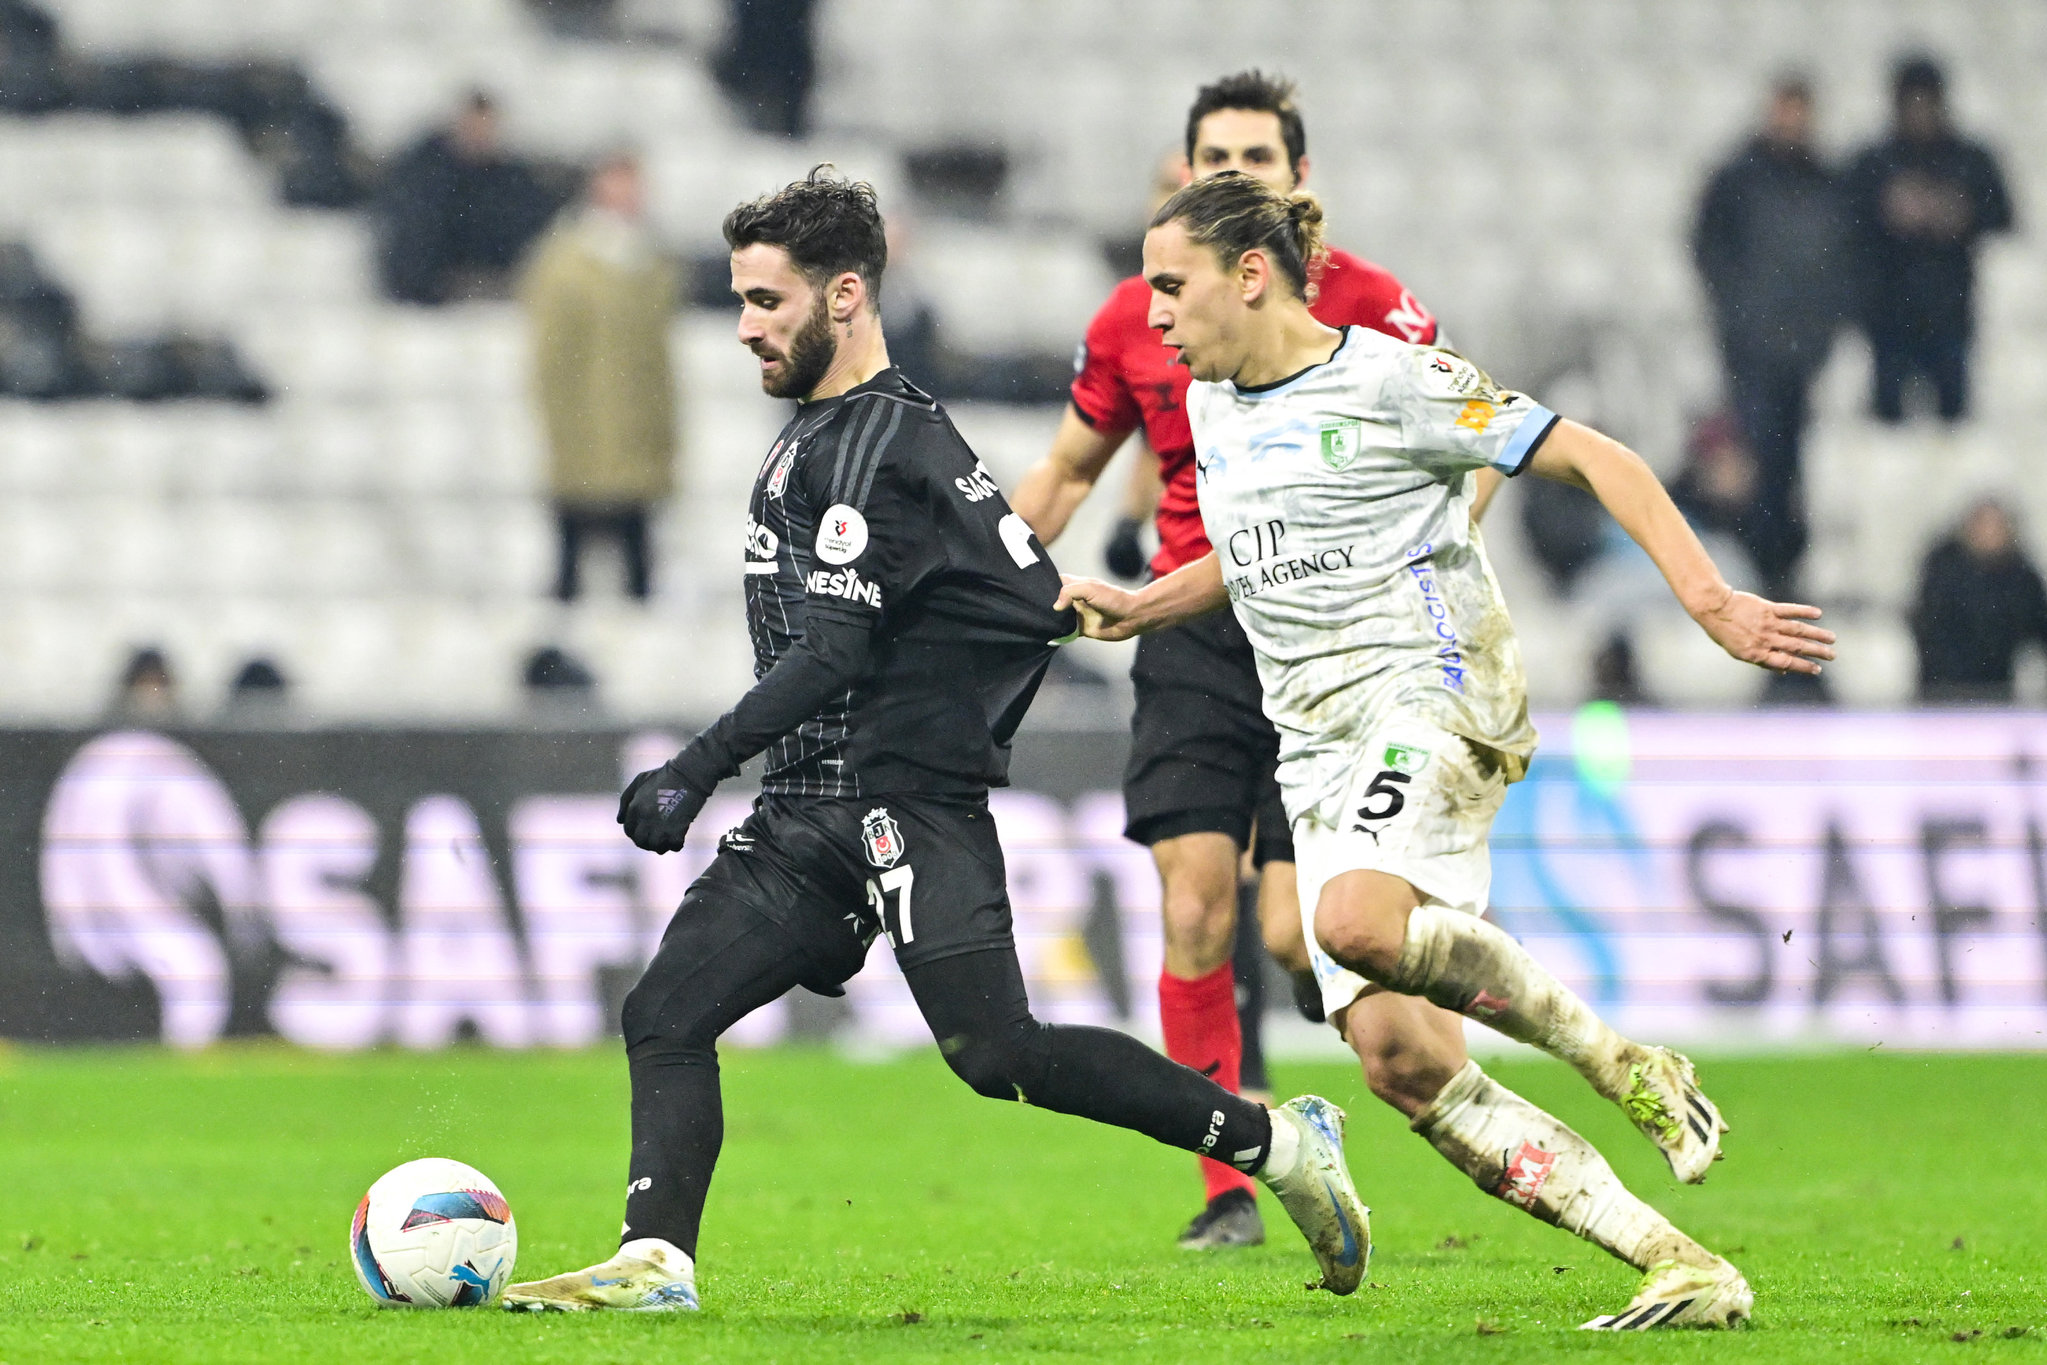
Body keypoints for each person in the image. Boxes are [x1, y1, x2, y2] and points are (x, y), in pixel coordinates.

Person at [501, 169, 1372, 1314]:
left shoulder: (872, 447)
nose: (747, 328)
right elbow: (1012, 597)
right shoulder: (841, 433)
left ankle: (1273, 1140)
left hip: (899, 803)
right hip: (812, 808)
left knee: (996, 1054)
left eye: (768, 302)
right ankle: (655, 1261)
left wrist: (693, 766)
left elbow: (833, 654)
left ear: (845, 295)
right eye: (739, 303)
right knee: (664, 1014)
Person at [1059, 172, 1838, 1329]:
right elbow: (1261, 552)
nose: (1154, 311)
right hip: (1315, 747)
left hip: (1428, 693)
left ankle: (1622, 1062)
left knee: (1350, 924)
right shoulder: (1214, 407)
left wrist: (1710, 600)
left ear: (1251, 275)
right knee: (1399, 1062)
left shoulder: (1391, 380)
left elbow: (1595, 456)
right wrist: (1144, 604)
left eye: (1171, 285)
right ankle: (1683, 1265)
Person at [1011, 69, 1455, 1251]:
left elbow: (1475, 445)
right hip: (1192, 625)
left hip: (1321, 629)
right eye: (1215, 156)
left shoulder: (1369, 304)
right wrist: (985, 576)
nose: (1234, 176)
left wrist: (1422, 573)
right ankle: (1228, 1191)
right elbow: (1064, 471)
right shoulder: (1137, 316)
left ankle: (1333, 990)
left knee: (1285, 934)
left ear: (1297, 178)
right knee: (1193, 908)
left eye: (1257, 158)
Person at [1692, 74, 1849, 597]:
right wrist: (1739, 317)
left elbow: (1843, 264)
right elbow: (1708, 249)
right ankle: (1752, 568)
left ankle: (1785, 569)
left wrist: (1822, 331)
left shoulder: (1825, 182)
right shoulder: (1738, 178)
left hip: (1803, 355)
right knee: (1751, 463)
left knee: (1793, 469)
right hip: (1750, 353)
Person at [520, 152, 680, 603]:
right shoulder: (566, 264)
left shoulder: (651, 263)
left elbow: (659, 361)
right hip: (585, 432)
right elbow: (550, 361)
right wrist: (564, 429)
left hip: (639, 433)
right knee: (571, 562)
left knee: (639, 567)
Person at [1844, 55, 2014, 424]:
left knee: (1955, 426)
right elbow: (1842, 219)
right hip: (1889, 314)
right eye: (1912, 101)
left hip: (1950, 312)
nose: (1920, 112)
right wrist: (1887, 210)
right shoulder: (1874, 161)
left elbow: (2003, 214)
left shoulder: (1969, 158)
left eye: (1927, 101)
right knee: (1886, 429)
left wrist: (1961, 213)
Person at [375, 91, 558, 306]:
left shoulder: (513, 180)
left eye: (486, 126)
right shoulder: (423, 174)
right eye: (473, 125)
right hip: (428, 299)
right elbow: (411, 237)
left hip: (493, 297)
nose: (479, 133)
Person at [1910, 498, 2047, 702]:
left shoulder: (2021, 576)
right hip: (1942, 690)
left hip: (1998, 690)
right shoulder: (1944, 570)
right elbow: (1928, 625)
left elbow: (2038, 625)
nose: (1989, 532)